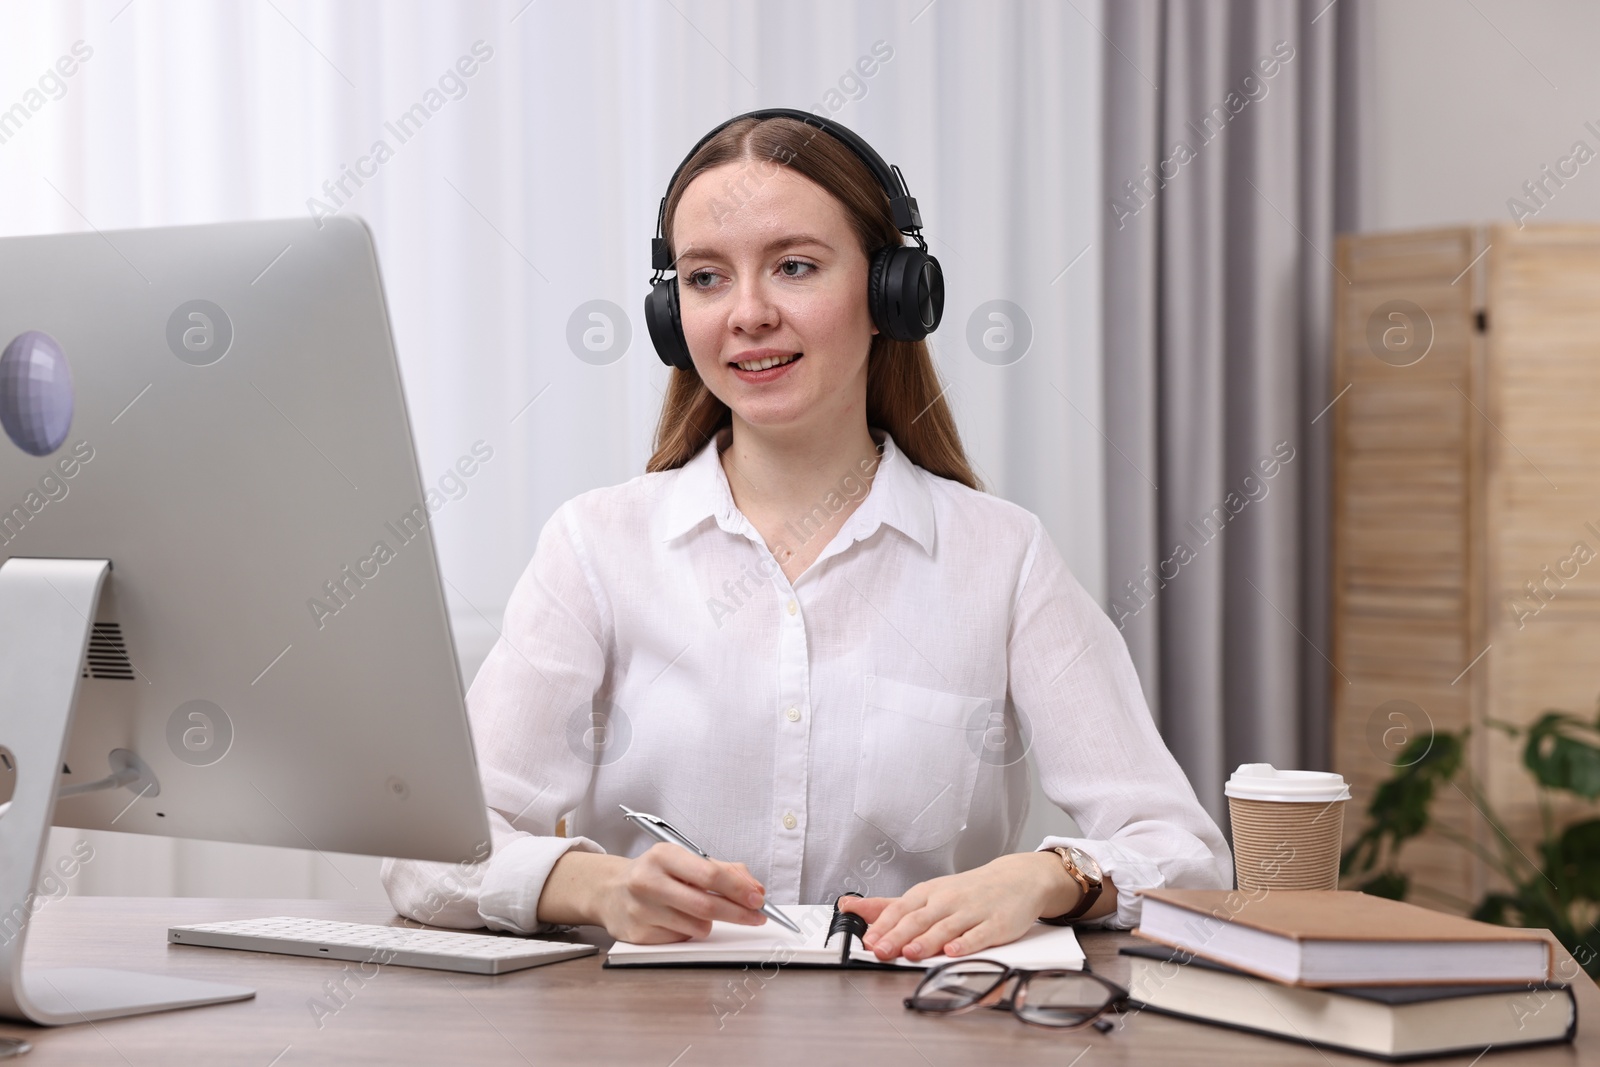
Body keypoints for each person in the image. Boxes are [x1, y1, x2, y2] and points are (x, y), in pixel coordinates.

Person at [382, 112, 1231, 962]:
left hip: (921, 1026)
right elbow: (428, 858)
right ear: (674, 314)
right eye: (707, 278)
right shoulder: (596, 546)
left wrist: (1047, 876)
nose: (748, 313)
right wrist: (597, 885)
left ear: (892, 291)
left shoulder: (1003, 558)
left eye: (794, 266)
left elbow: (1186, 855)